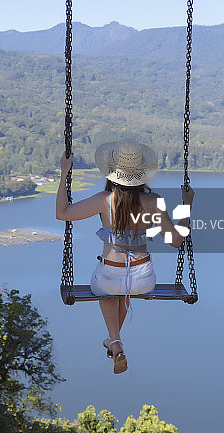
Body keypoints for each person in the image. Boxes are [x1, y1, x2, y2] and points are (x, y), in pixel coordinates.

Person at [56, 139, 195, 375]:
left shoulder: (104, 200)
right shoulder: (153, 201)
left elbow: (62, 213)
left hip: (108, 277)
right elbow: (176, 241)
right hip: (143, 280)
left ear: (111, 172)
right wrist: (186, 206)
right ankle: (112, 342)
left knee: (108, 290)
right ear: (142, 173)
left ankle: (115, 341)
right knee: (119, 289)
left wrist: (64, 173)